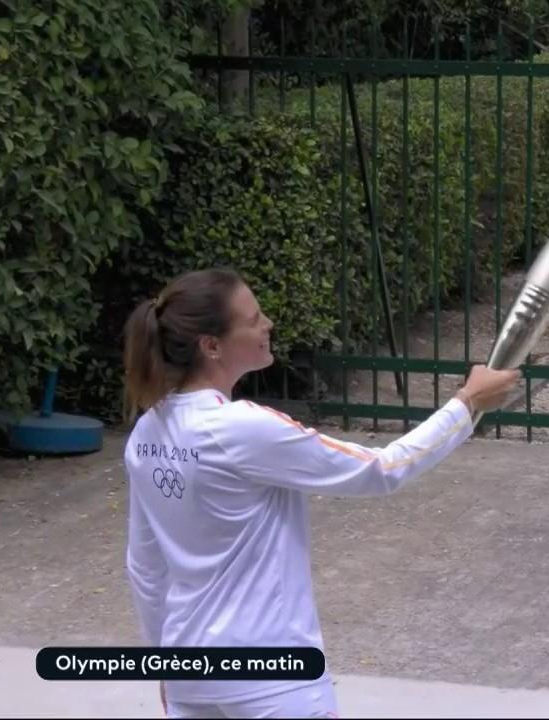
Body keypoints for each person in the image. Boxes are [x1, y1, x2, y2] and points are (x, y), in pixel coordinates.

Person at [120, 268, 521, 718]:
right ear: (211, 346)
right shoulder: (244, 427)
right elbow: (382, 468)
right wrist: (466, 404)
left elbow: (145, 568)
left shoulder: (146, 433)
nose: (268, 323)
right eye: (253, 319)